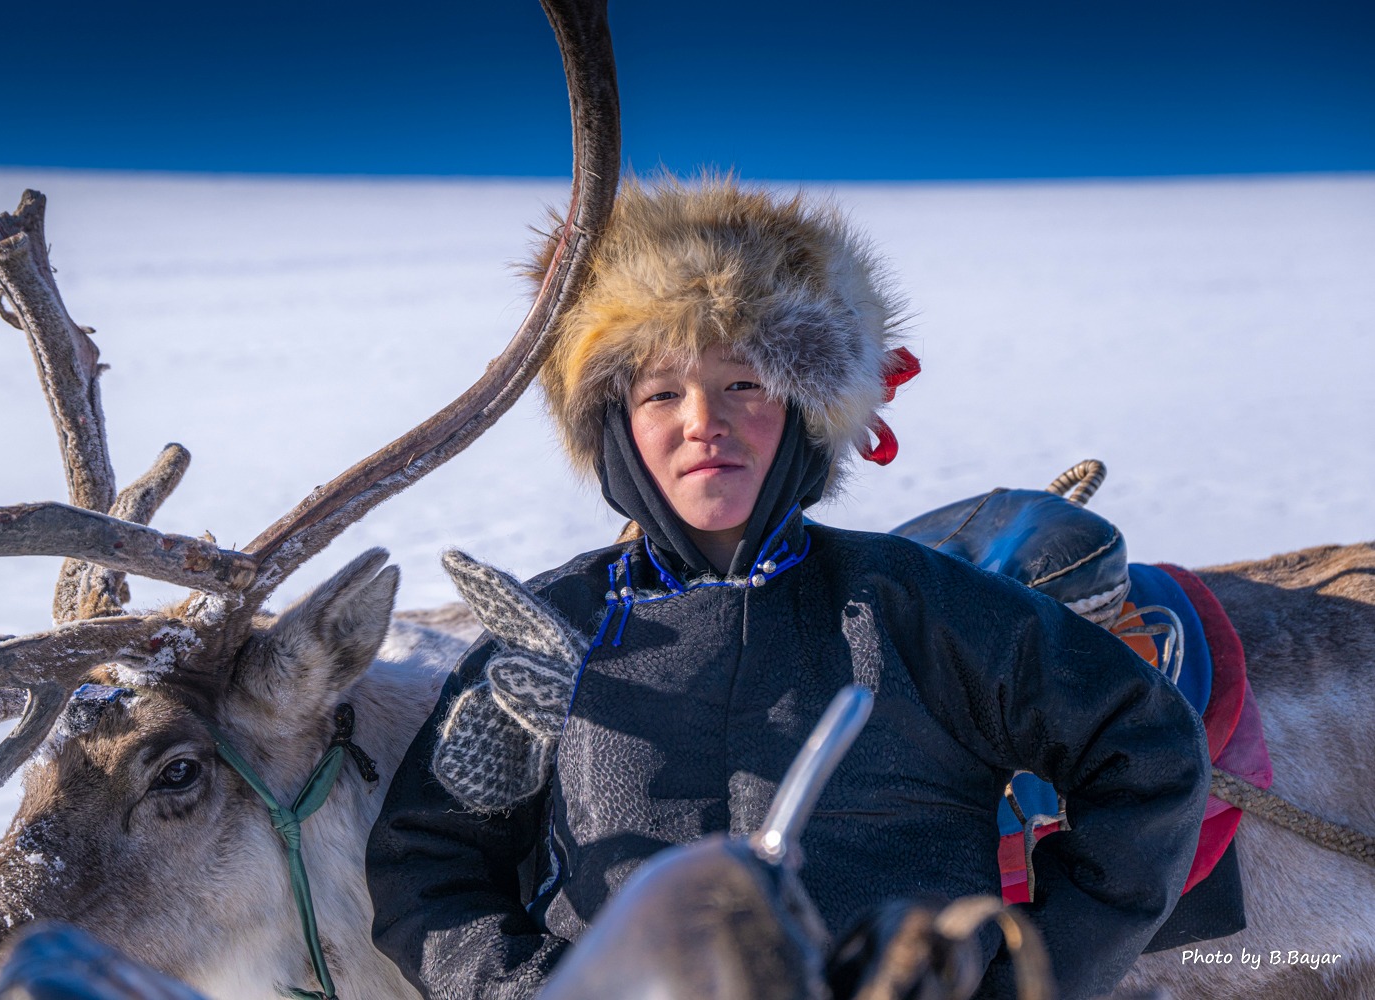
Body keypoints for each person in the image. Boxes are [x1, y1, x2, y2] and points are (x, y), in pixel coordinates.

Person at [365, 176, 1210, 999]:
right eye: (663, 392)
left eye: (745, 383)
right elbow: (430, 867)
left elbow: (1145, 756)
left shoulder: (913, 605)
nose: (704, 421)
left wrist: (1024, 979)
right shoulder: (554, 632)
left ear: (807, 408)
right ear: (614, 425)